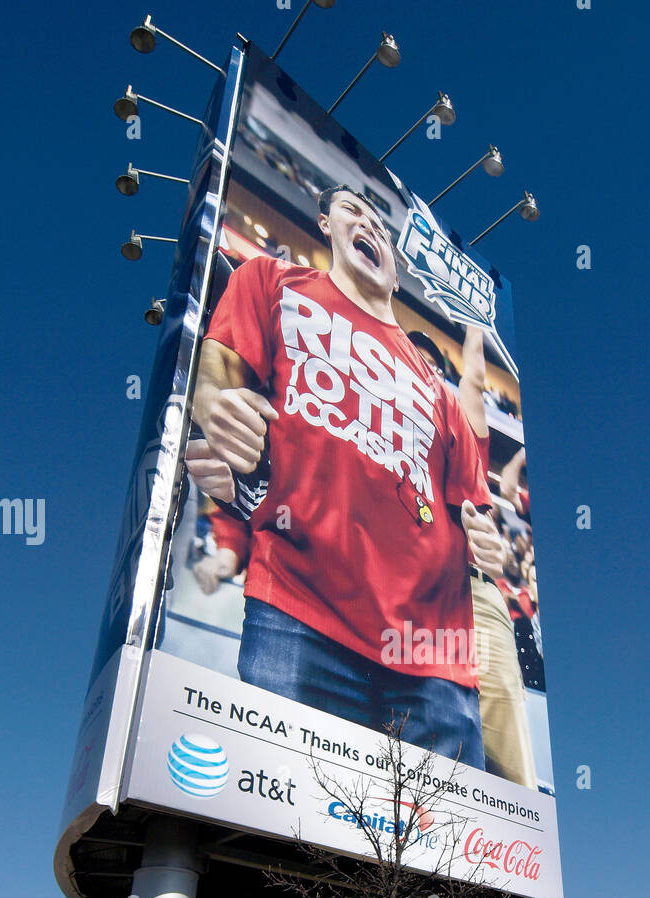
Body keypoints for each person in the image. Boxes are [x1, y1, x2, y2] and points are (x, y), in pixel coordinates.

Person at [185, 185, 504, 769]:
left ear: (398, 267)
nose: (371, 226)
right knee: (281, 839)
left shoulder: (440, 393)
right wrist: (211, 402)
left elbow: (474, 510)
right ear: (324, 222)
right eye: (352, 210)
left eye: (382, 223)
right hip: (301, 616)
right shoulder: (269, 282)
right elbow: (216, 373)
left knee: (443, 860)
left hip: (434, 662)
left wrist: (485, 542)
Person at [409, 325, 538, 788]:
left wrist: (475, 322)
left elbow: (474, 380)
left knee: (505, 746)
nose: (419, 366)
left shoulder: (459, 432)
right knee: (425, 746)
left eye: (429, 362)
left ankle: (520, 845)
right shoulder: (370, 427)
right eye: (408, 357)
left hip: (475, 594)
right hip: (407, 596)